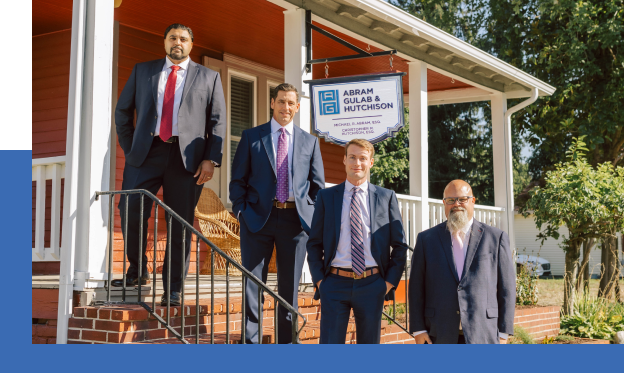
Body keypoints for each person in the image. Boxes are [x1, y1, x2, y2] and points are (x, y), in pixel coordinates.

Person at [113, 23, 226, 307]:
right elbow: (123, 111)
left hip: (186, 159)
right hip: (145, 154)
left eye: (184, 39)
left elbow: (218, 122)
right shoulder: (143, 70)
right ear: (165, 42)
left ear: (191, 44)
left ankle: (173, 288)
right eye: (173, 38)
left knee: (179, 222)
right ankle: (138, 270)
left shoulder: (209, 77)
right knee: (131, 210)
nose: (178, 42)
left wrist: (211, 159)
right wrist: (130, 147)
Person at [229, 83, 325, 344]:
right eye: (281, 101)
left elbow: (318, 187)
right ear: (272, 103)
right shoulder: (252, 137)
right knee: (252, 285)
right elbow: (237, 180)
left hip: (295, 223)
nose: (285, 107)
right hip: (258, 218)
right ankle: (251, 344)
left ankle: (287, 346)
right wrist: (241, 212)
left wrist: (310, 217)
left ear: (297, 107)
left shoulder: (310, 142)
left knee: (289, 289)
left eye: (290, 103)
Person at [306, 139, 408, 344]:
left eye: (363, 158)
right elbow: (314, 243)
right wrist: (320, 282)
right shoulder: (326, 197)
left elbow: (399, 245)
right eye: (352, 157)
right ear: (344, 160)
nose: (357, 163)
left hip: (372, 283)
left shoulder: (386, 197)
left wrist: (388, 283)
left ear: (371, 162)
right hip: (334, 283)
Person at [408, 180, 516, 344]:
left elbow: (507, 288)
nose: (456, 204)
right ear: (444, 203)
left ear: (473, 201)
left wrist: (503, 333)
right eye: (450, 200)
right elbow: (416, 288)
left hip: (484, 333)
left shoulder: (495, 238)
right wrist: (418, 329)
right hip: (438, 334)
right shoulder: (426, 240)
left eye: (462, 199)